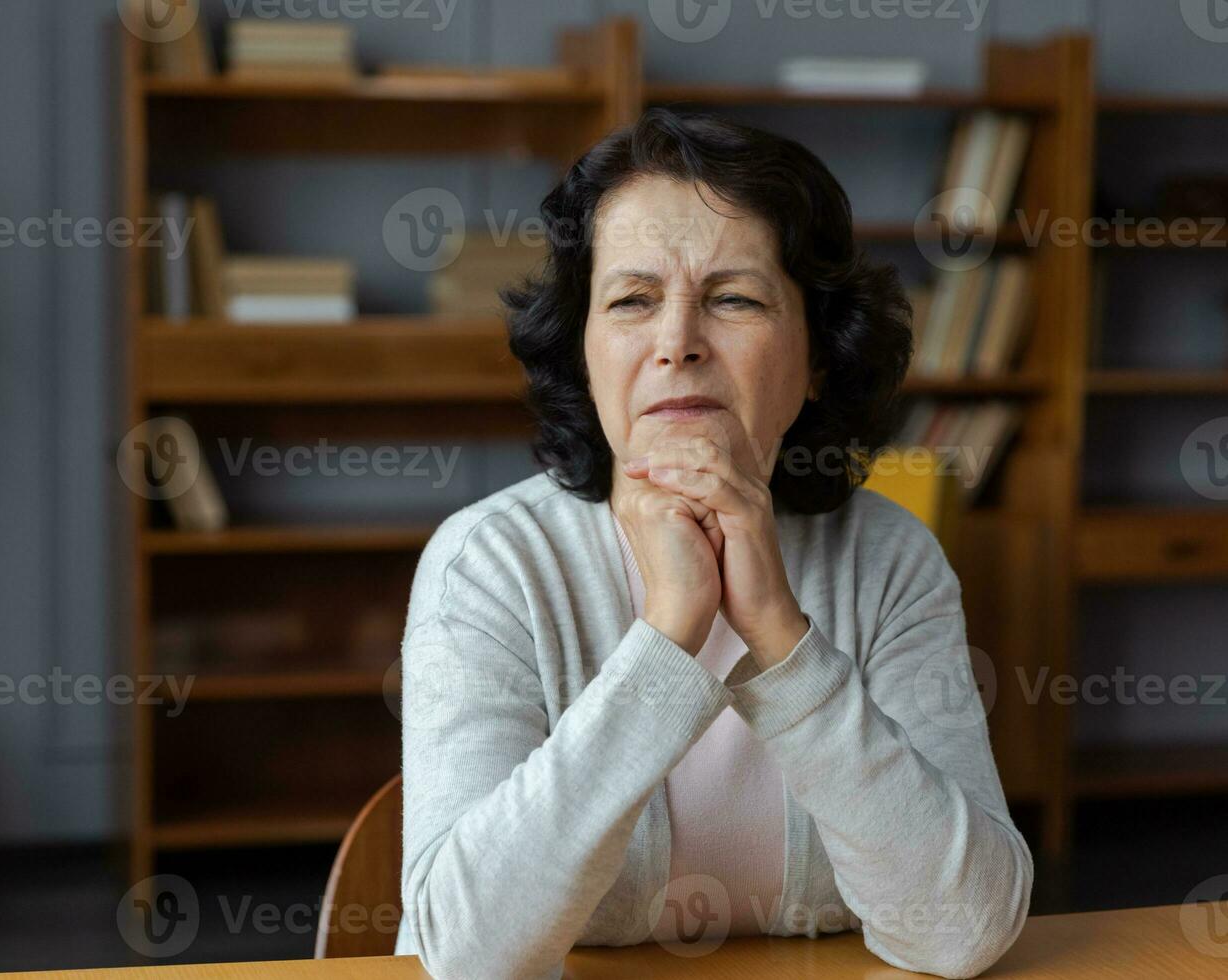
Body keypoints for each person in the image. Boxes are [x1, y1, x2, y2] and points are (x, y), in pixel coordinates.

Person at [393, 107, 1032, 980]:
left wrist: (780, 637)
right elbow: (466, 955)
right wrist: (669, 636)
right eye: (631, 300)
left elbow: (963, 929)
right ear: (584, 349)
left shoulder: (891, 562)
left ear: (815, 358)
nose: (677, 344)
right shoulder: (490, 565)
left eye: (734, 298)